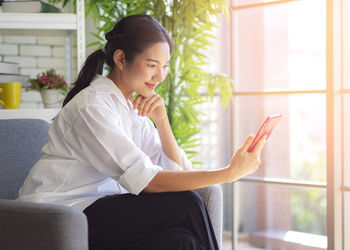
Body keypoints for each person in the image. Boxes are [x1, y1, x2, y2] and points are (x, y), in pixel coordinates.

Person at [18, 14, 266, 250]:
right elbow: (148, 182)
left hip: (100, 210)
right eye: (151, 65)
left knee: (182, 241)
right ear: (120, 59)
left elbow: (174, 175)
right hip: (61, 215)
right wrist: (228, 173)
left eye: (165, 66)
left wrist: (162, 120)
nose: (160, 76)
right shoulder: (91, 106)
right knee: (188, 204)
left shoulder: (132, 109)